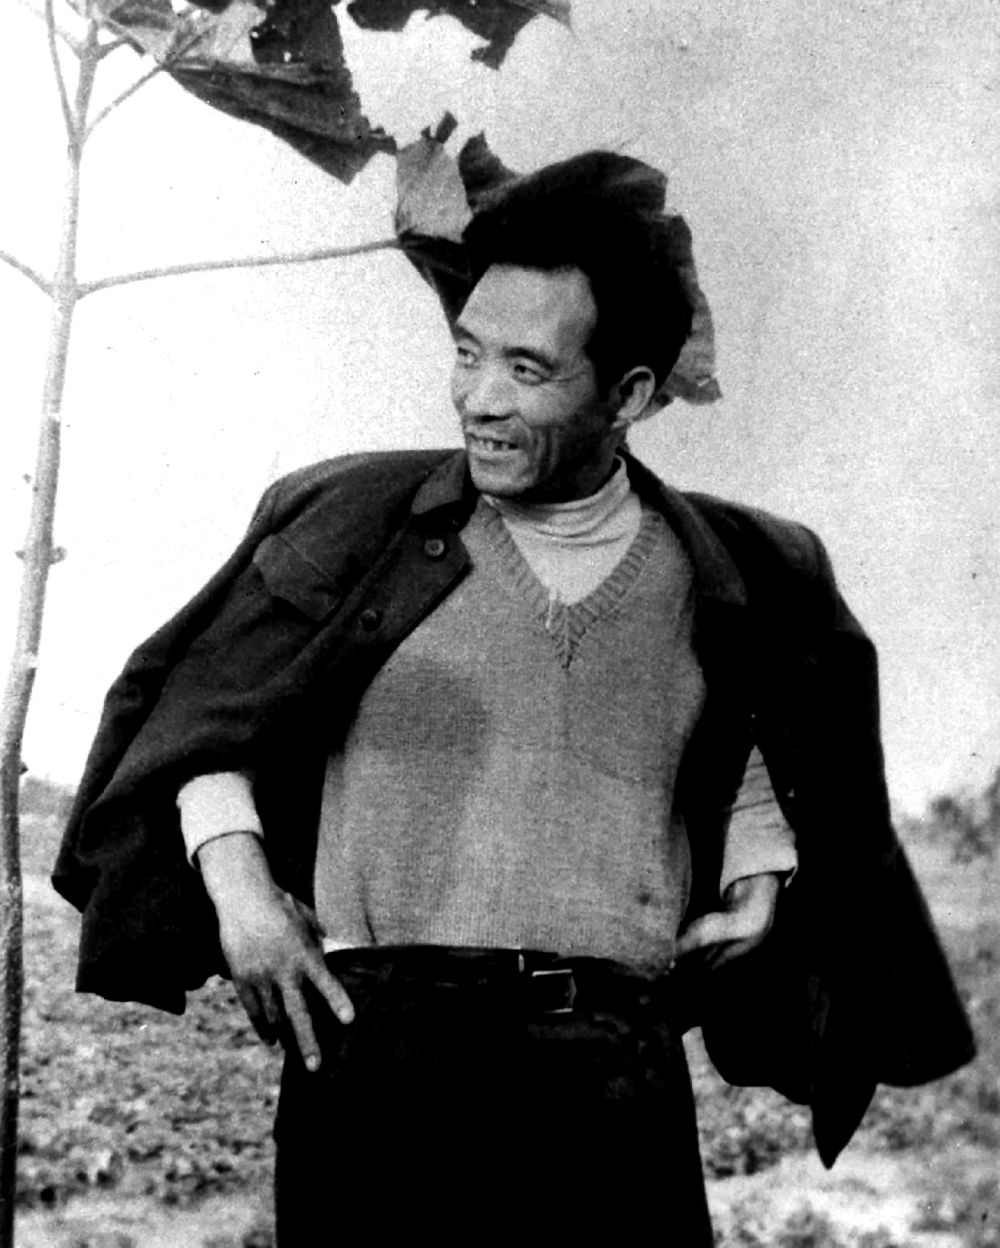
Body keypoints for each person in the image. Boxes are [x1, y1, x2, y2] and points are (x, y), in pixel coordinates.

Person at [53, 152, 974, 1244]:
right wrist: (241, 891)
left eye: (527, 370)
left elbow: (766, 728)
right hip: (377, 1055)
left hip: (613, 1068)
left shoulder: (724, 568)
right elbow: (210, 717)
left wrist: (760, 871)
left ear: (629, 396)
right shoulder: (359, 524)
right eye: (467, 352)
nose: (479, 399)